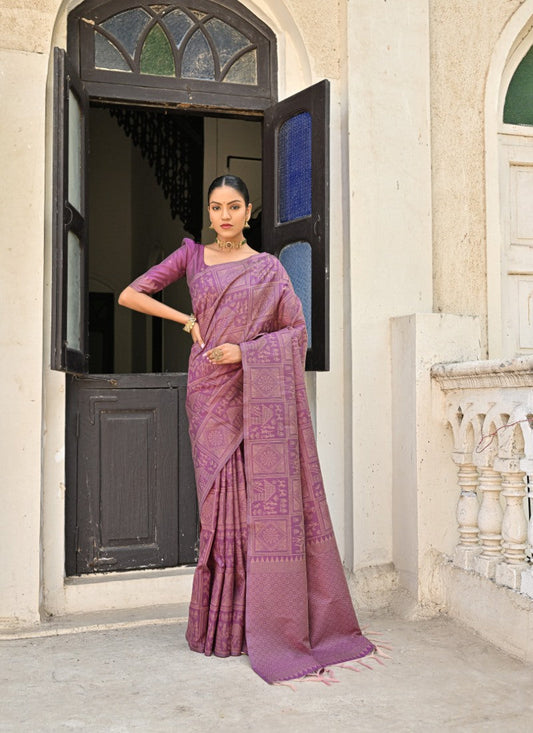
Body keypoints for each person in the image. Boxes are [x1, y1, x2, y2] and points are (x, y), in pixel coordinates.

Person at [118, 175, 374, 684]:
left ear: (250, 211)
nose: (225, 215)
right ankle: (220, 627)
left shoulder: (269, 269)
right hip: (208, 394)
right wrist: (186, 321)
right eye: (216, 207)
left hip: (254, 393)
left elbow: (296, 334)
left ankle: (260, 622)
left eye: (234, 206)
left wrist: (246, 352)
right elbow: (130, 294)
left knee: (259, 506)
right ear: (209, 214)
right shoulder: (190, 257)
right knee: (218, 505)